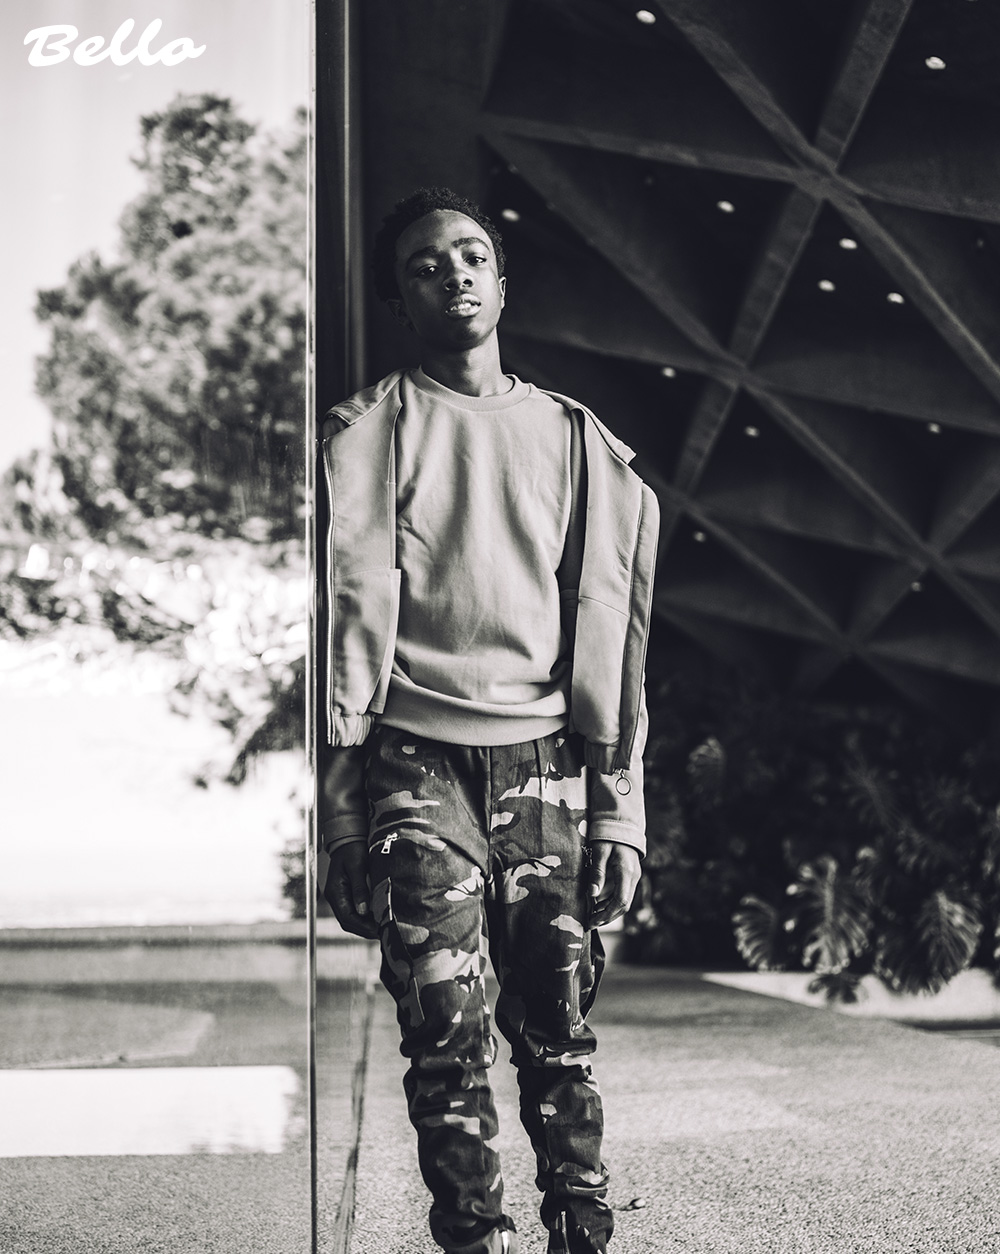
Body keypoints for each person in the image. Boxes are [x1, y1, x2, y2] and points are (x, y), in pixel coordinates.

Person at [319, 187, 658, 1254]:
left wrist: (619, 814)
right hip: (413, 766)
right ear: (400, 300)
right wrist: (340, 824)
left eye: (471, 256)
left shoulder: (576, 443)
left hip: (548, 764)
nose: (453, 274)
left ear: (502, 284)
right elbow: (327, 652)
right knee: (443, 1035)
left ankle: (581, 1230)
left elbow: (618, 643)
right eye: (424, 266)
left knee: (557, 1029)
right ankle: (476, 1241)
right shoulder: (358, 442)